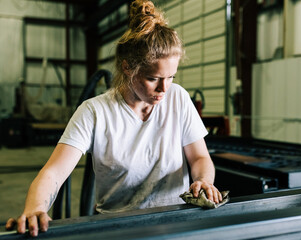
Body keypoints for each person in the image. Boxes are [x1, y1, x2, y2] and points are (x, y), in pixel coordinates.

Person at [6, 0, 223, 237]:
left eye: (171, 76)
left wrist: (203, 180)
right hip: (117, 229)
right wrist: (36, 207)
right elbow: (54, 173)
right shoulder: (95, 113)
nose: (164, 88)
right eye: (153, 78)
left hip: (175, 223)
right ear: (128, 67)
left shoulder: (178, 98)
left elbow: (200, 157)